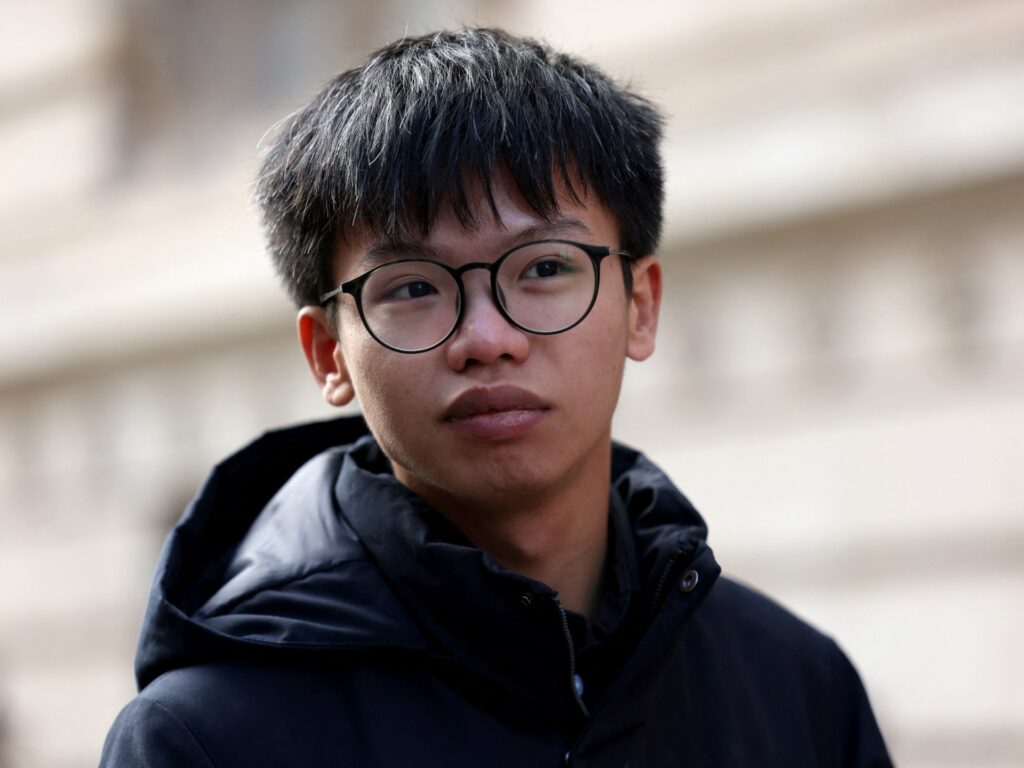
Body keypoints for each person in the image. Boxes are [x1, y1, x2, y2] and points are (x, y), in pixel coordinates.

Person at [100, 28, 892, 767]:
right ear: (329, 353)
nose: (487, 337)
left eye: (545, 268)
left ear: (640, 306)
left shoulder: (798, 690)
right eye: (412, 286)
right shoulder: (205, 739)